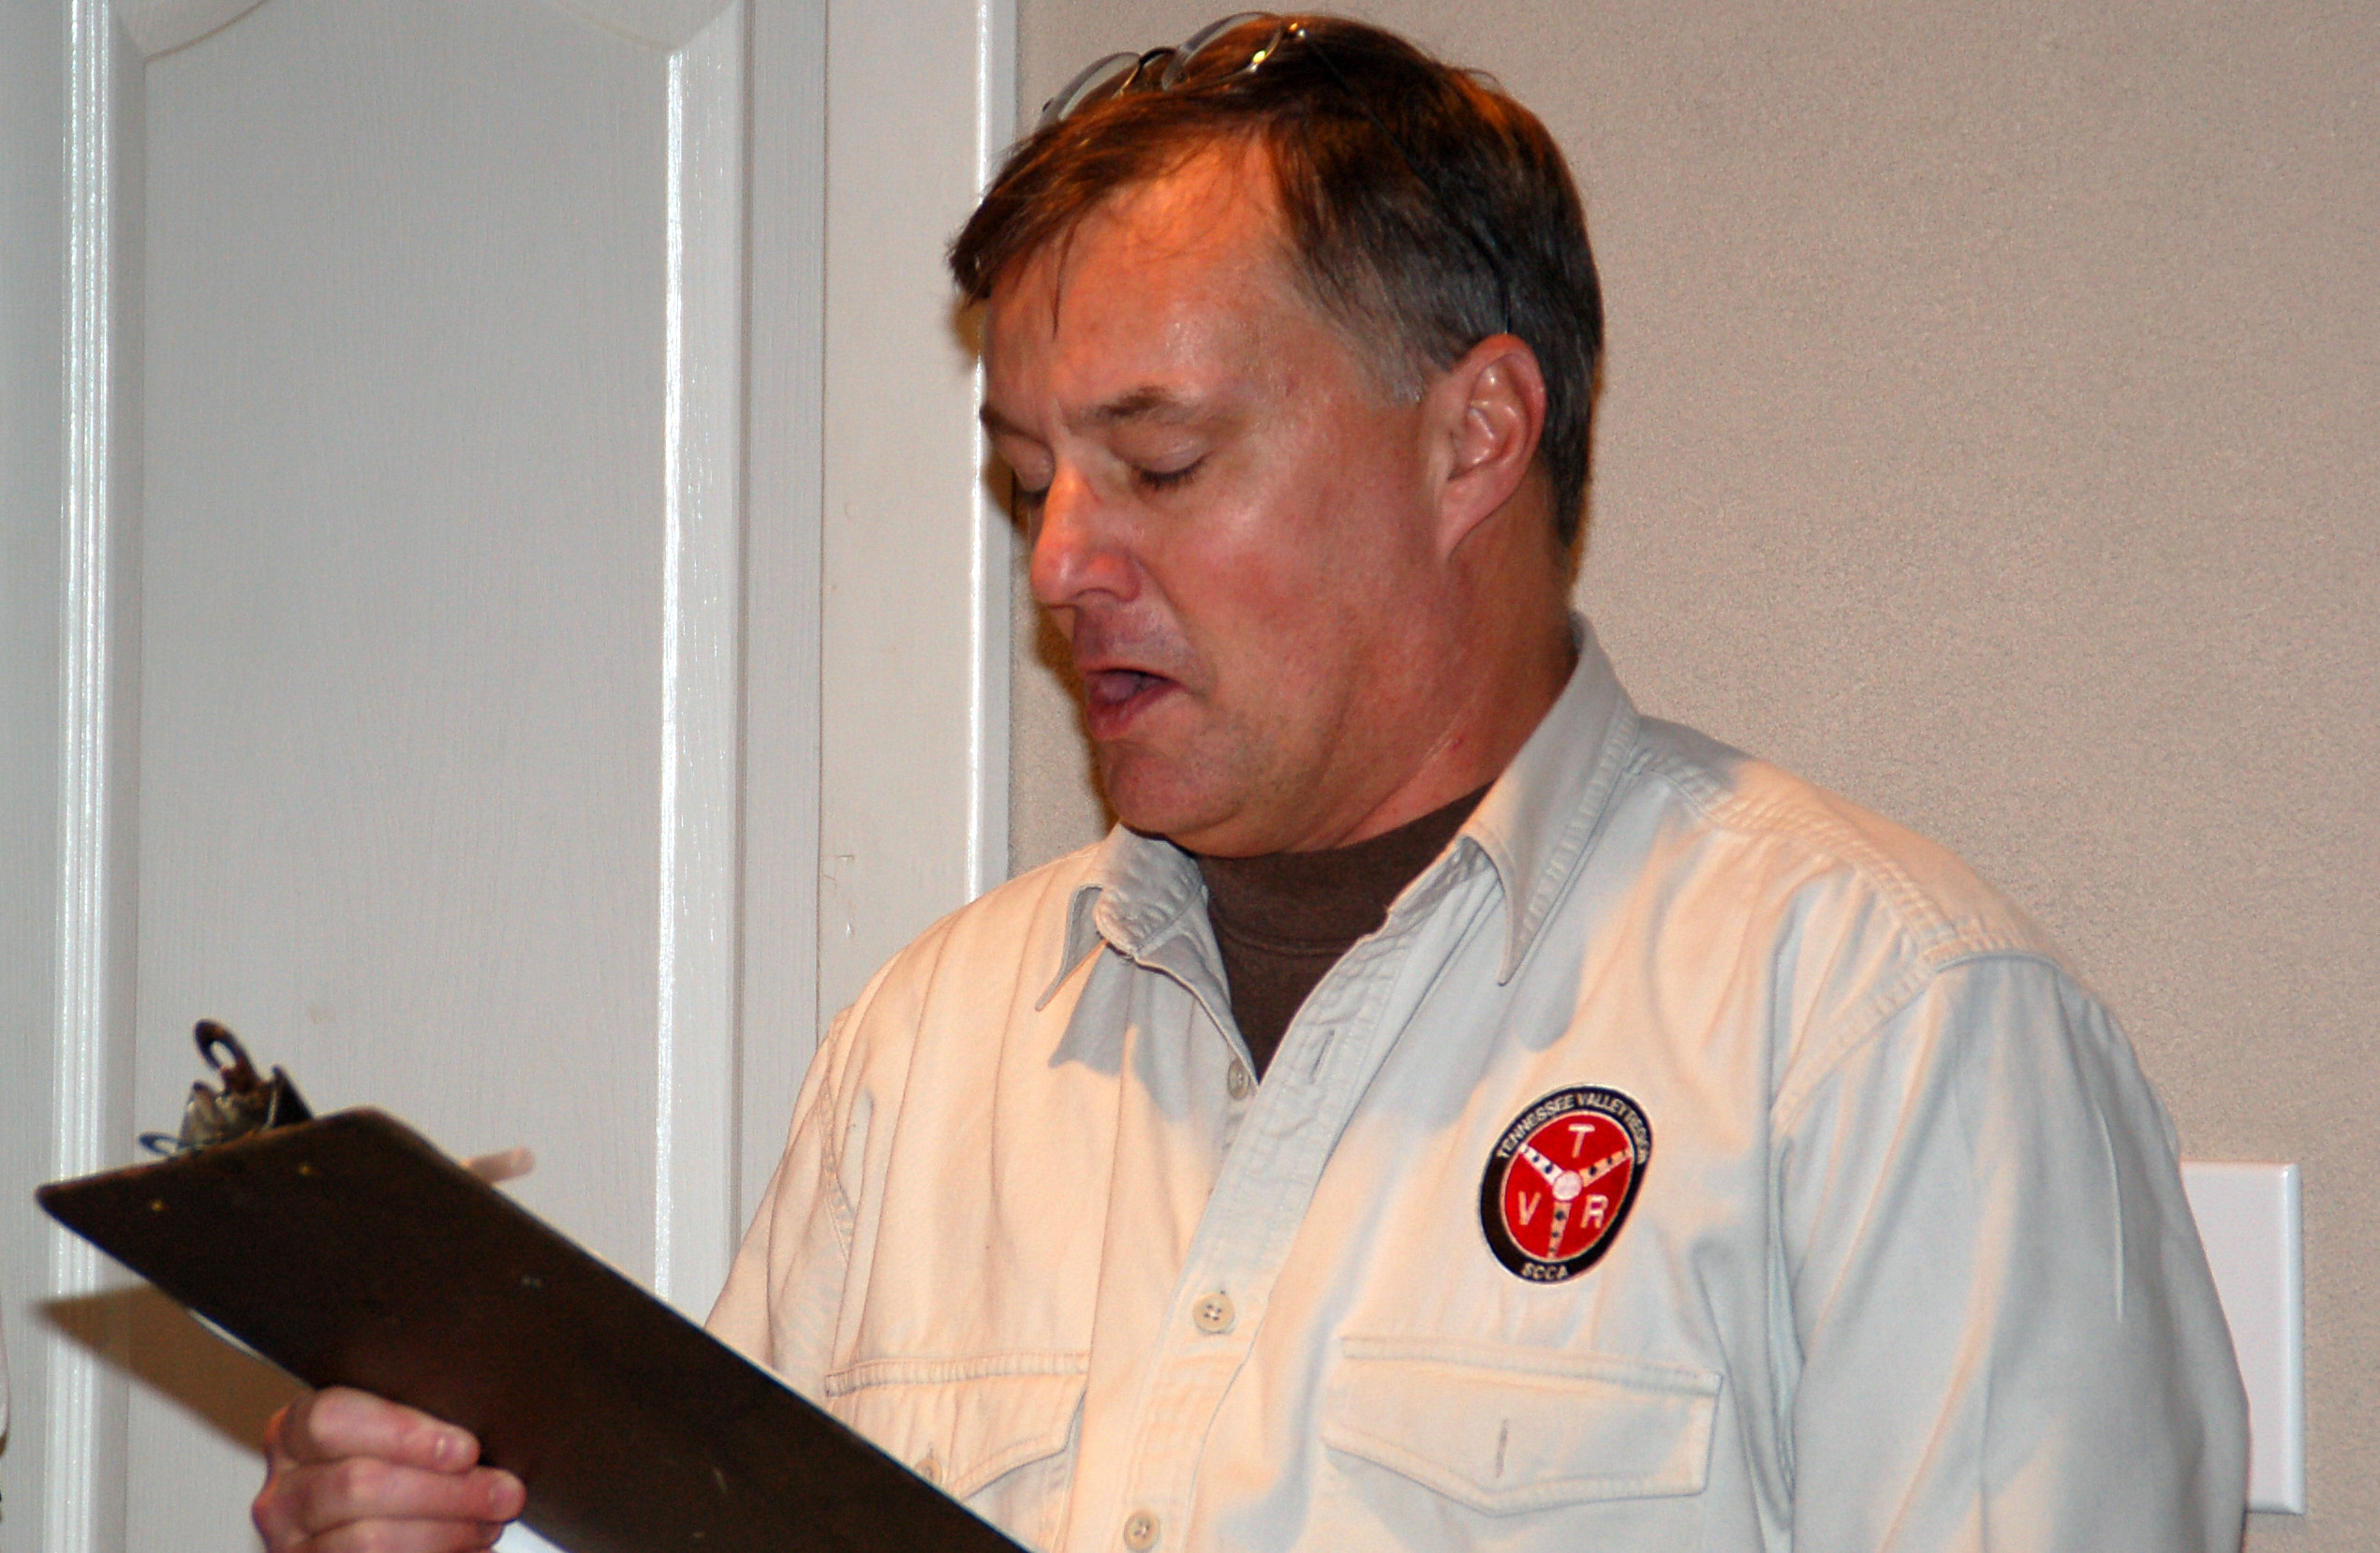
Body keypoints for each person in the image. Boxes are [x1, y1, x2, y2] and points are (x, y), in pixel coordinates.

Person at [253, 14, 2248, 1552]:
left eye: (1160, 462)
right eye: (1031, 482)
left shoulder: (1881, 1032)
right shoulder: (924, 1053)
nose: (1060, 564)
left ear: (1473, 436)